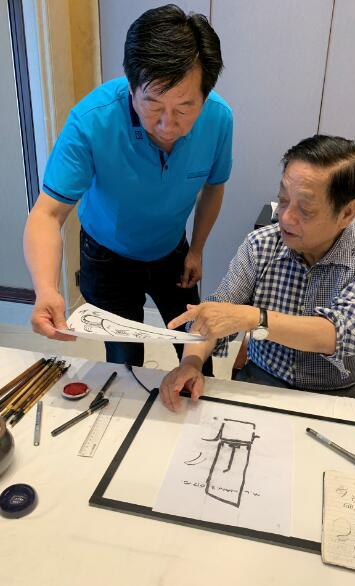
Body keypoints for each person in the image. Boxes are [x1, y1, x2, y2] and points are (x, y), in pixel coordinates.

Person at [24, 4, 233, 373]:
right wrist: (46, 289)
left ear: (205, 95)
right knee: (126, 366)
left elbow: (214, 187)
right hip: (107, 256)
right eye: (153, 104)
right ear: (131, 87)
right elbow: (47, 214)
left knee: (196, 352)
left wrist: (197, 250)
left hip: (171, 250)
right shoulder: (91, 121)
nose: (167, 124)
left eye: (185, 108)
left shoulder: (218, 119)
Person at [160, 135, 355, 411]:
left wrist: (254, 318)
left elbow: (340, 334)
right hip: (263, 379)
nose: (285, 218)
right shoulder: (261, 244)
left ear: (347, 213)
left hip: (340, 390)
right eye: (283, 200)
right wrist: (191, 364)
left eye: (305, 210)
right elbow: (216, 312)